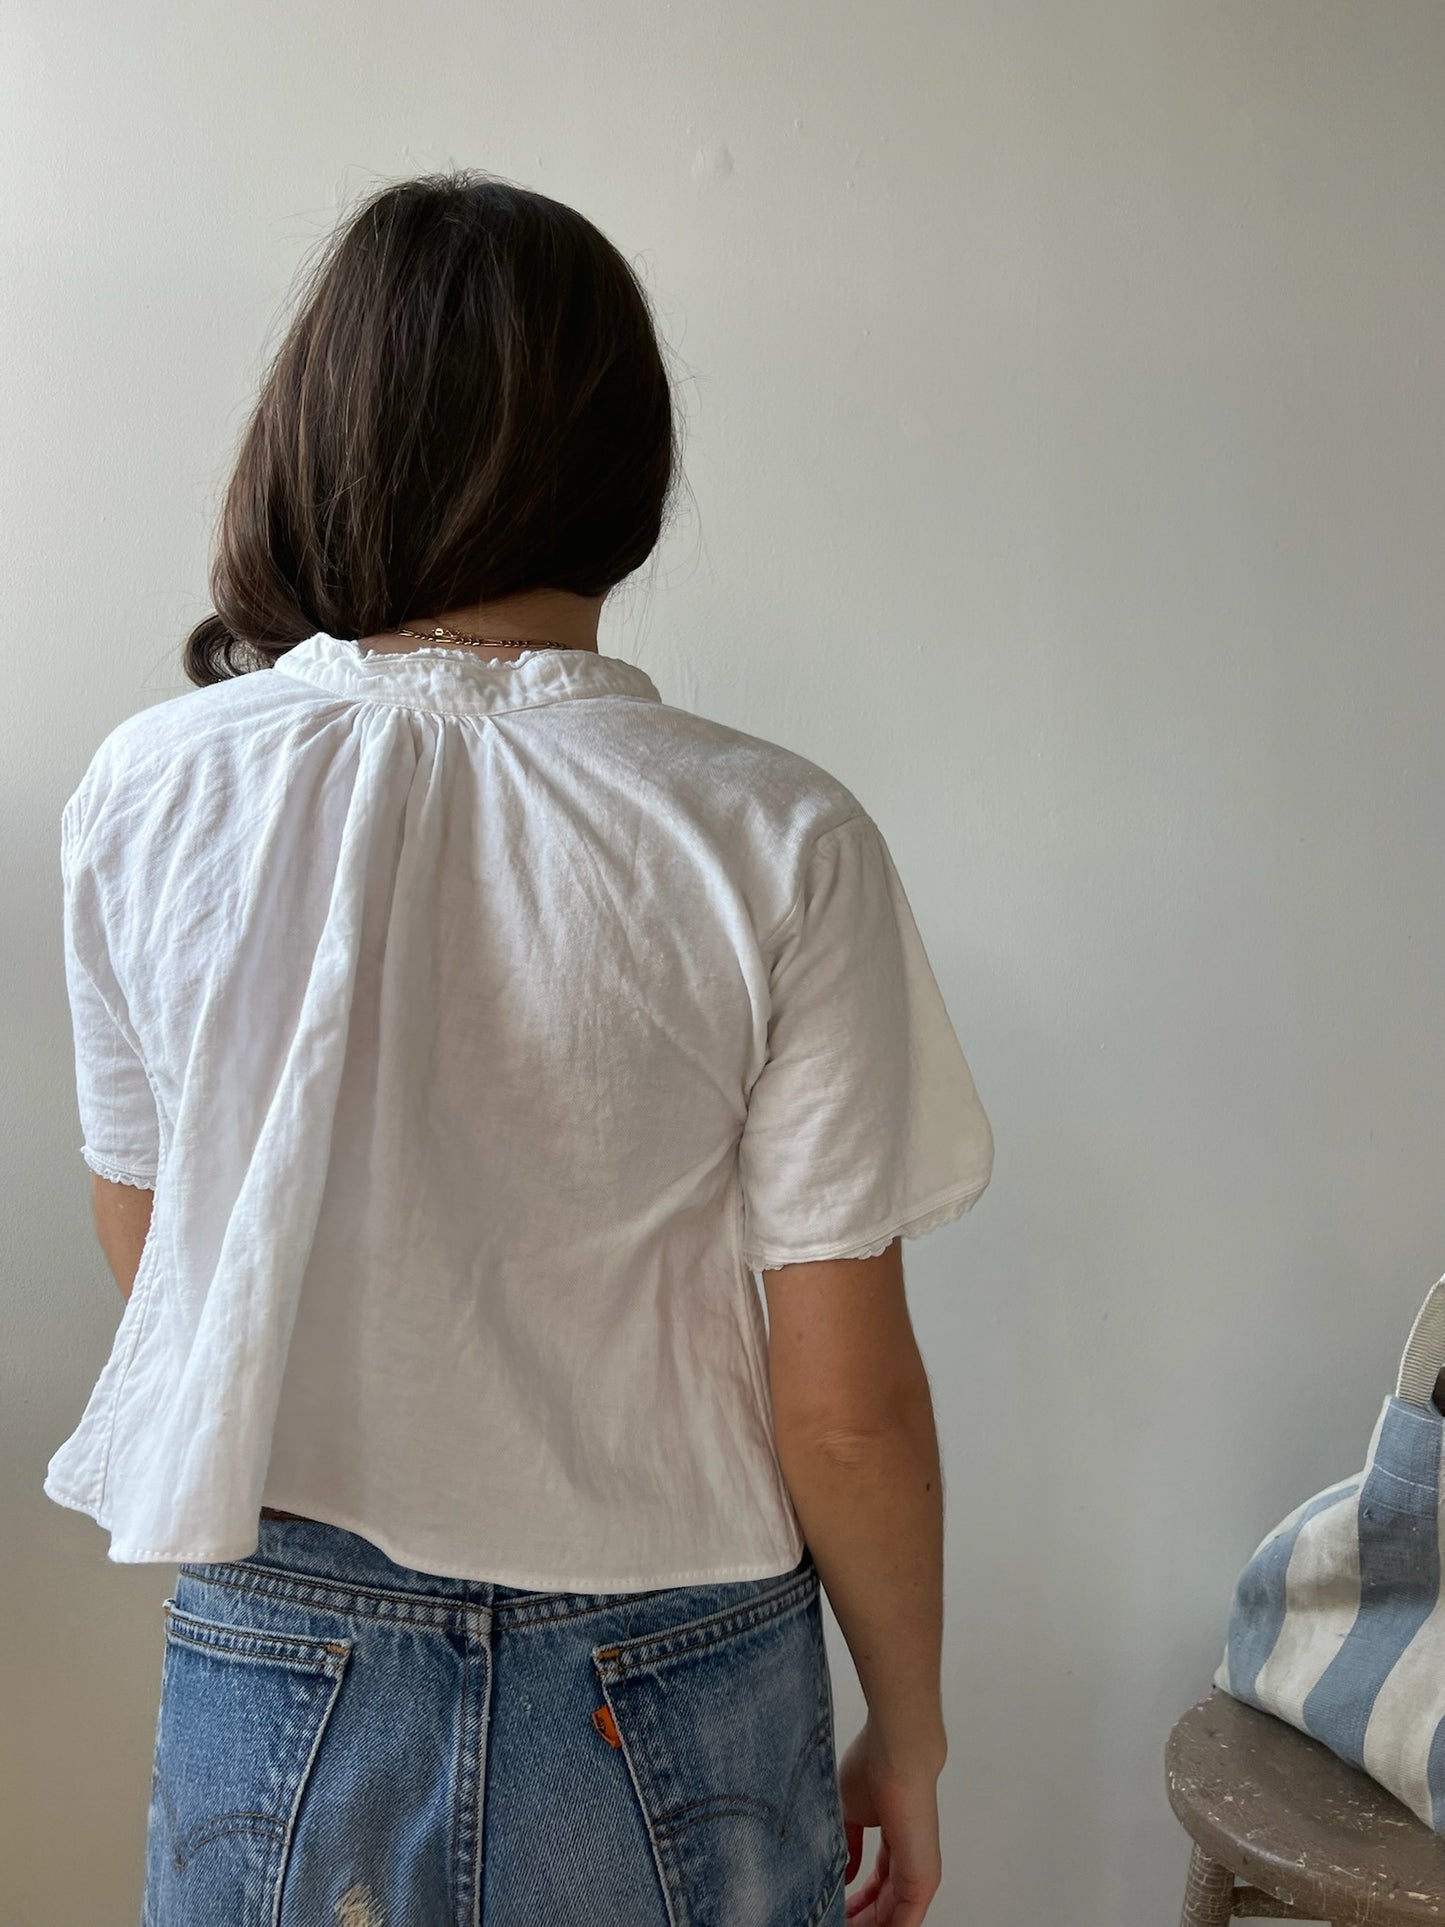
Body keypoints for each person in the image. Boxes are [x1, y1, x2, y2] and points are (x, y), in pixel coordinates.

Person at [49, 169, 994, 1927]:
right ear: (624, 466)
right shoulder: (773, 836)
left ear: (312, 442)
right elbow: (845, 1404)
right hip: (671, 1659)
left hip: (283, 1635)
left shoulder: (147, 791)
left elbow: (157, 1240)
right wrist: (912, 1733)